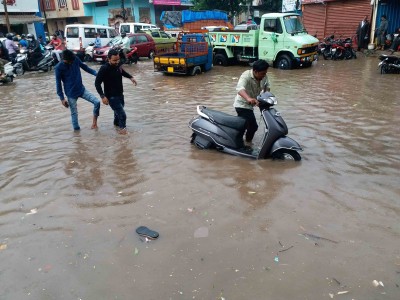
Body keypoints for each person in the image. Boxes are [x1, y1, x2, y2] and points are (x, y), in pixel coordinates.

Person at [55, 49, 100, 131]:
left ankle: (94, 124)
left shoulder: (75, 59)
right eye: (68, 62)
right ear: (63, 60)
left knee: (97, 102)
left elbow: (86, 68)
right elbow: (58, 84)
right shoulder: (58, 67)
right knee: (74, 114)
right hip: (70, 93)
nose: (70, 63)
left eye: (71, 61)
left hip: (81, 90)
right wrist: (62, 98)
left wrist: (97, 74)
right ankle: (77, 136)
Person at [95, 48, 137, 135]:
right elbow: (97, 83)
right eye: (114, 60)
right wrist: (102, 96)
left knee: (117, 115)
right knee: (122, 115)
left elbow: (123, 72)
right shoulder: (104, 68)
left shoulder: (118, 65)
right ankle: (123, 135)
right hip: (111, 97)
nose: (117, 62)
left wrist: (131, 77)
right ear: (109, 59)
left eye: (118, 59)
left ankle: (116, 130)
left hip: (120, 94)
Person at [234, 59, 270, 144]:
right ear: (255, 71)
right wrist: (248, 98)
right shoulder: (246, 75)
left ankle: (244, 141)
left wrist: (266, 97)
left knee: (246, 125)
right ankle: (246, 143)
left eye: (265, 73)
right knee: (253, 126)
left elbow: (267, 87)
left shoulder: (264, 76)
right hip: (242, 104)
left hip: (252, 104)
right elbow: (240, 89)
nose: (264, 76)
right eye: (262, 74)